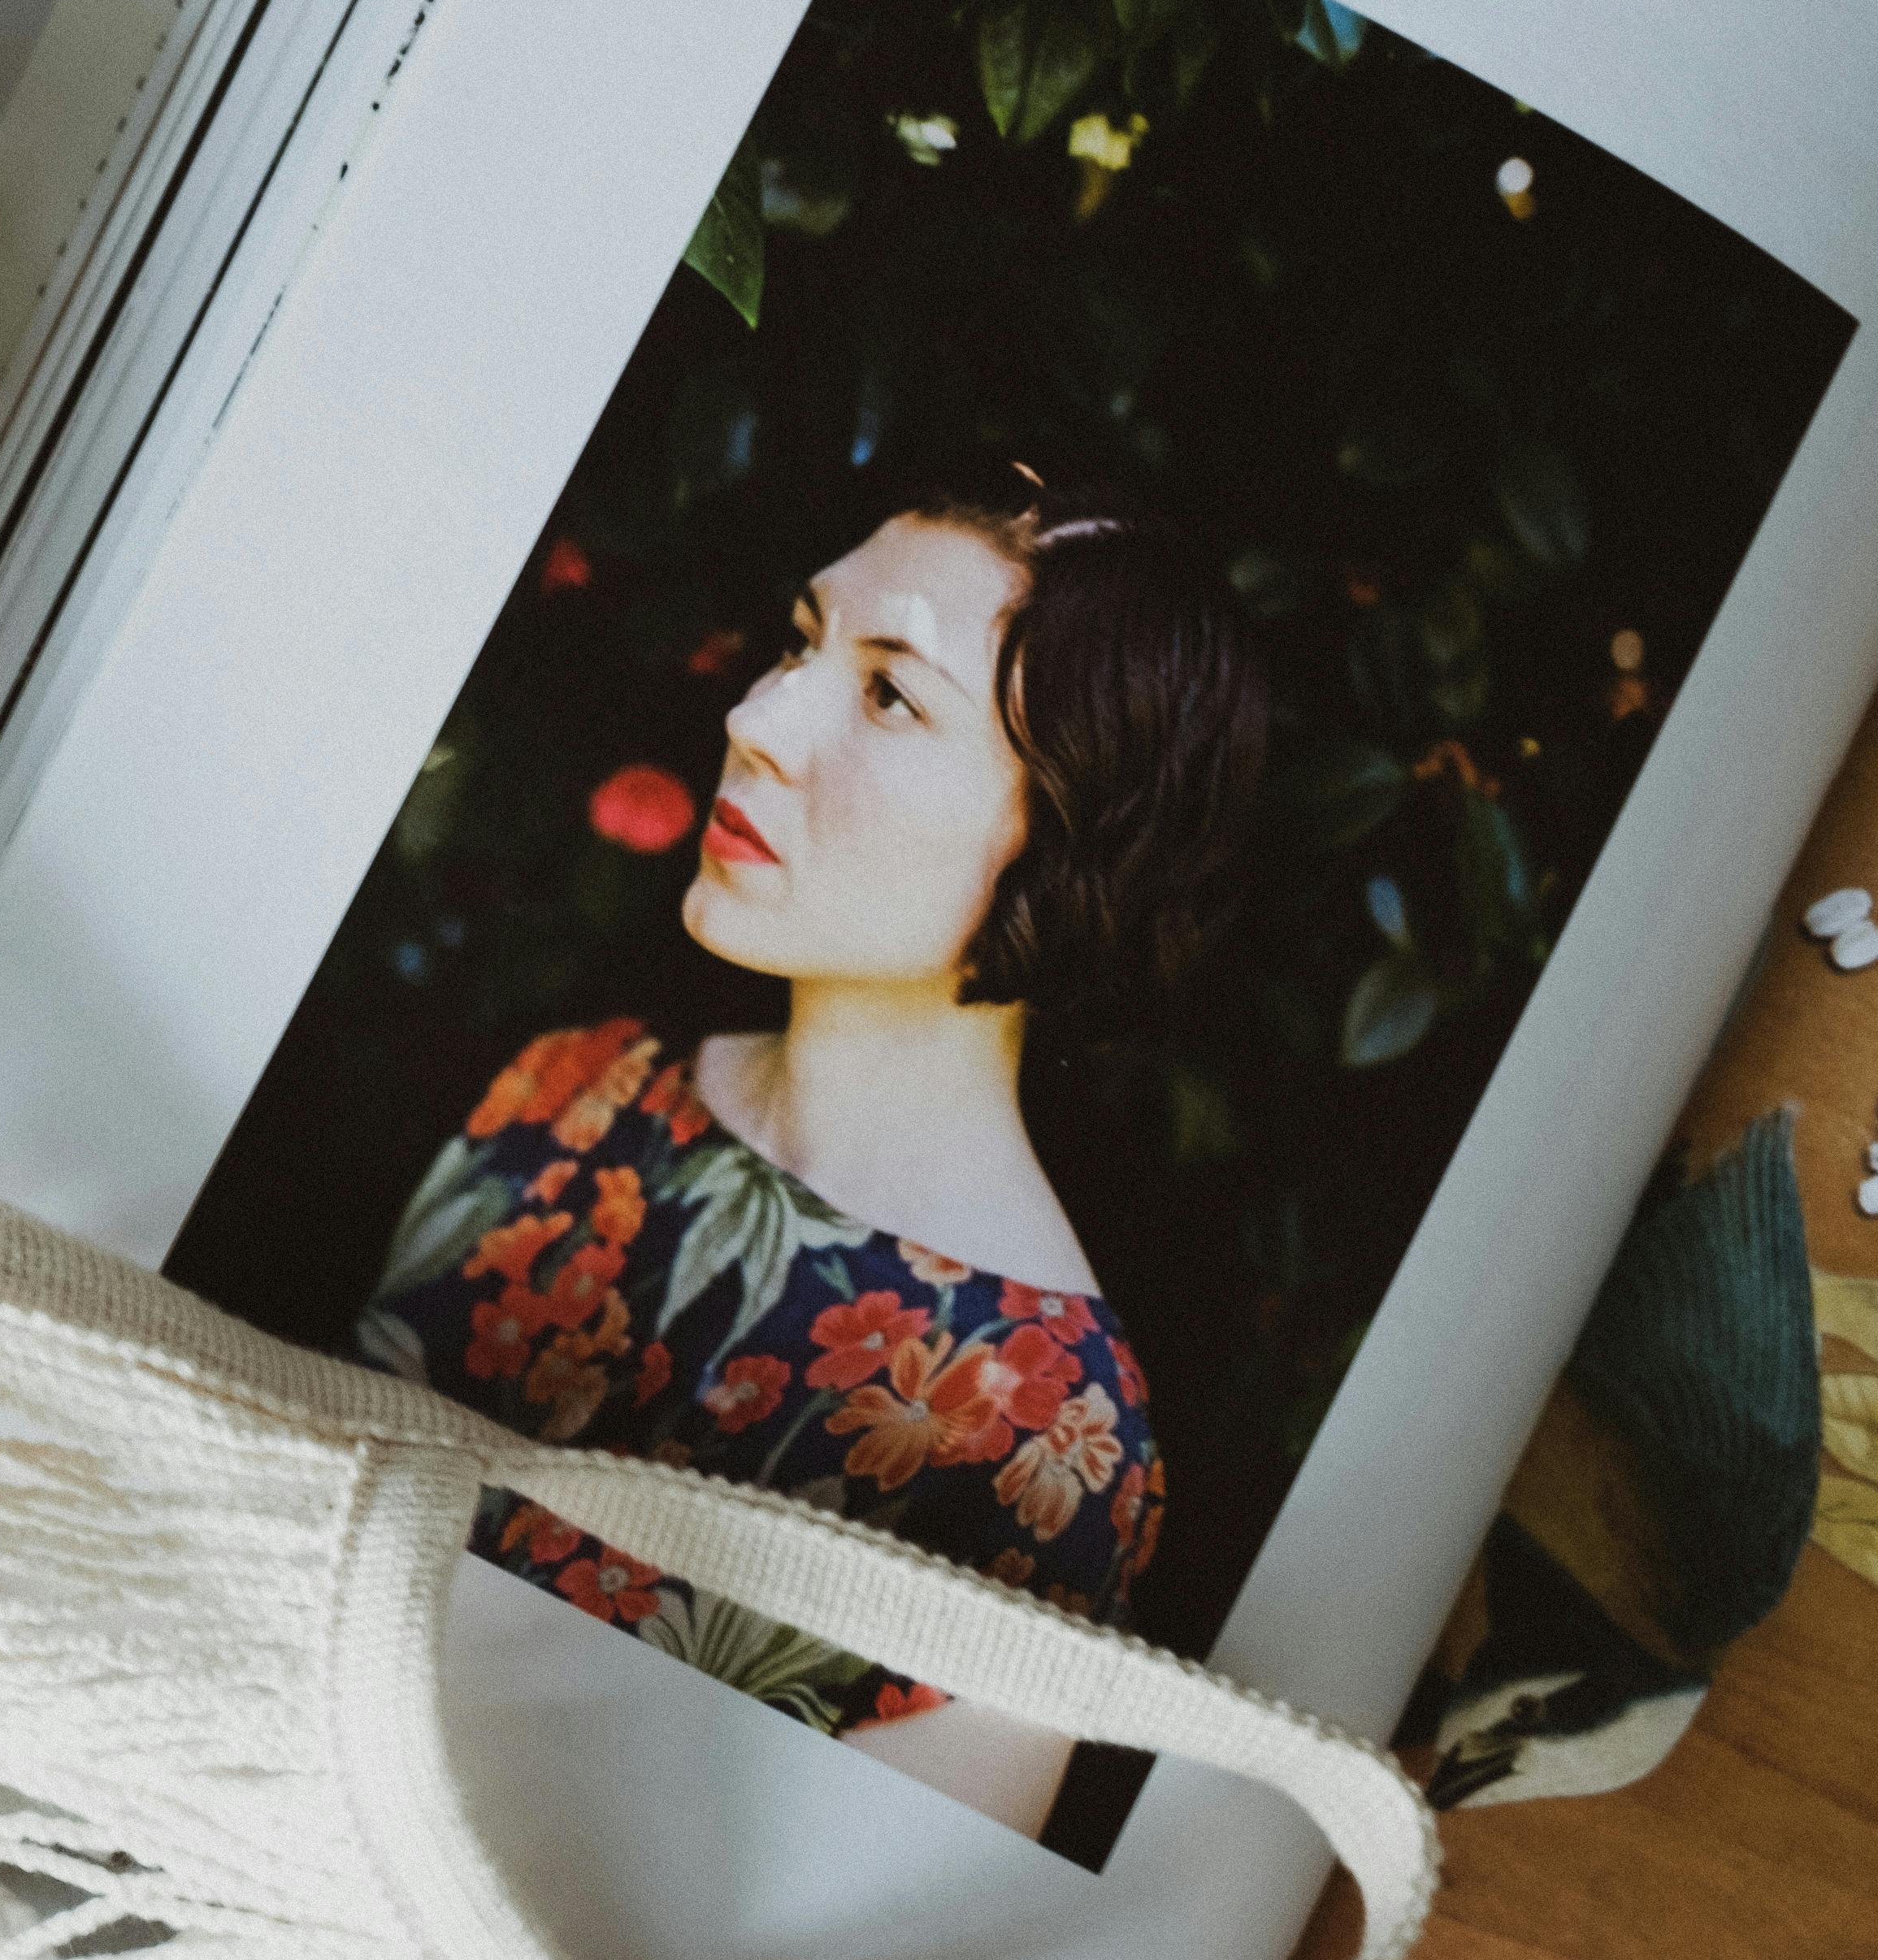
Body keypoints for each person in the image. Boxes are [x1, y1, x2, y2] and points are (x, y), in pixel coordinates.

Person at [354, 479, 1269, 1841]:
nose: (757, 719)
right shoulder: (578, 1089)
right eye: (802, 643)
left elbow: (831, 1952)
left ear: (1074, 834)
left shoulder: (1039, 1451)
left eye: (894, 695)